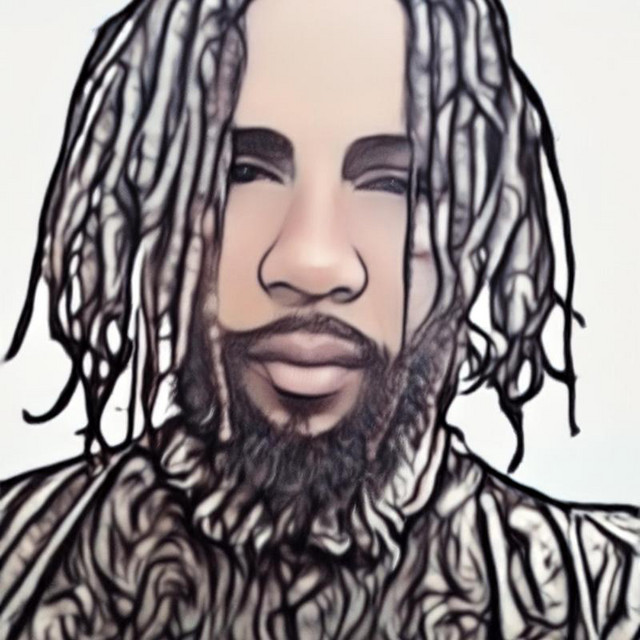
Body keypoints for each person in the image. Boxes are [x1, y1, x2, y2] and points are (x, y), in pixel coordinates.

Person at [1, 0, 638, 637]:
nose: (311, 261)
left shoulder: (608, 600)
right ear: (154, 202)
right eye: (244, 172)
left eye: (392, 183)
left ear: (482, 231)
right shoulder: (18, 569)